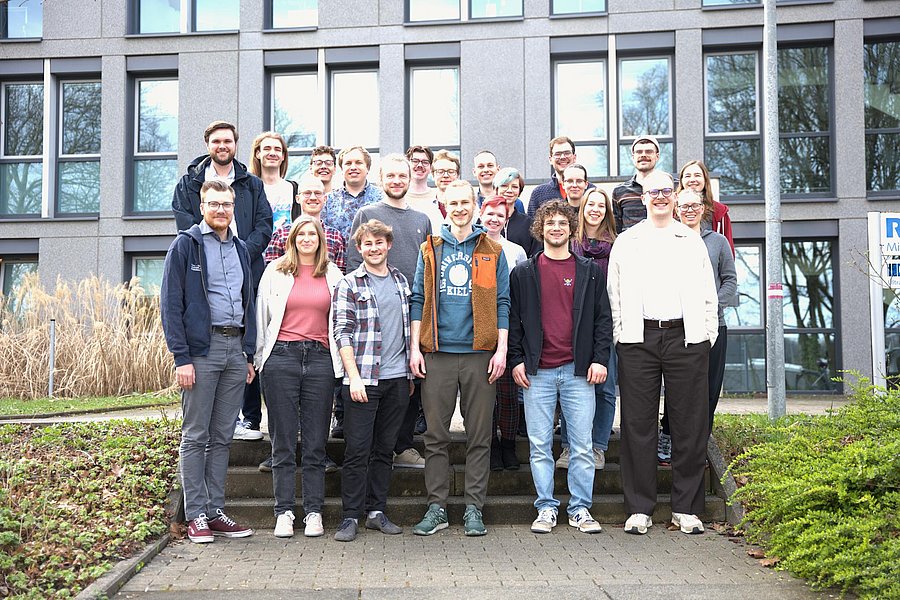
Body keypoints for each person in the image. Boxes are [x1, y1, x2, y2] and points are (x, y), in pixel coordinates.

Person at [607, 171, 718, 536]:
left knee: (690, 423)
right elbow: (615, 291)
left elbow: (707, 290)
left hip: (686, 338)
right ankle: (639, 507)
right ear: (643, 197)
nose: (659, 197)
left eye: (665, 191)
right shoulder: (627, 240)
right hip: (639, 338)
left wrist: (707, 334)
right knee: (638, 424)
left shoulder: (689, 239)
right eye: (653, 191)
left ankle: (686, 508)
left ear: (673, 196)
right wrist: (622, 333)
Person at [409, 180, 510, 537]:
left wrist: (501, 349)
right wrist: (414, 347)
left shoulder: (491, 250)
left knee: (479, 436)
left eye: (465, 201)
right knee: (436, 436)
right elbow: (418, 297)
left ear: (475, 204)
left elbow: (502, 303)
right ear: (443, 205)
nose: (460, 207)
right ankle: (436, 507)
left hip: (479, 354)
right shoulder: (430, 249)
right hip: (437, 353)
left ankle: (473, 508)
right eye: (453, 202)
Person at [160, 179, 256, 544]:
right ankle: (196, 514)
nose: (220, 210)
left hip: (235, 351)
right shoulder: (186, 246)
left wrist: (248, 353)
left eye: (226, 204)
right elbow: (171, 305)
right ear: (202, 207)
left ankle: (215, 511)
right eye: (213, 203)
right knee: (195, 435)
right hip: (201, 351)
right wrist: (181, 357)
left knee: (222, 436)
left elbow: (247, 302)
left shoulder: (242, 249)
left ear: (234, 208)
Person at [508, 200, 612, 535]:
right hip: (537, 373)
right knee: (539, 446)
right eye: (549, 222)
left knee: (581, 446)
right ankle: (546, 508)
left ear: (571, 228)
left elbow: (602, 320)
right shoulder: (524, 272)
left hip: (579, 371)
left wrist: (599, 359)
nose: (556, 228)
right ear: (540, 228)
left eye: (562, 223)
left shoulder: (589, 271)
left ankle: (581, 509)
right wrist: (516, 361)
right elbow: (514, 322)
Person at [171, 120, 272, 442]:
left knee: (246, 342)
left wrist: (242, 251)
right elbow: (185, 220)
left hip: (245, 268)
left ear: (235, 145)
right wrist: (212, 246)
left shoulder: (250, 184)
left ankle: (250, 419)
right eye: (216, 141)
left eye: (228, 141)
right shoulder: (190, 183)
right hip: (205, 267)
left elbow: (264, 223)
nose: (222, 146)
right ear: (208, 145)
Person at [254, 215, 343, 538]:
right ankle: (284, 511)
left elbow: (341, 322)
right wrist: (260, 359)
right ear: (292, 239)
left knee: (317, 440)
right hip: (281, 359)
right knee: (283, 439)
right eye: (301, 234)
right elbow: (261, 316)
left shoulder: (333, 274)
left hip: (320, 360)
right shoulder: (275, 271)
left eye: (312, 234)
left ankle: (314, 511)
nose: (307, 238)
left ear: (321, 239)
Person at [345, 154, 432, 469]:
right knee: (376, 378)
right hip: (374, 310)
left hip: (414, 311)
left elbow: (428, 266)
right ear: (380, 179)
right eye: (391, 175)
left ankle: (403, 444)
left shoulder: (422, 219)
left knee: (410, 377)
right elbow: (354, 263)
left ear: (410, 180)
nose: (397, 181)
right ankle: (372, 445)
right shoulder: (367, 213)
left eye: (402, 176)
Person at [332, 219, 414, 542]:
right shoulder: (349, 284)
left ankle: (376, 512)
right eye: (368, 244)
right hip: (362, 380)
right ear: (359, 248)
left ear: (389, 245)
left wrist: (408, 373)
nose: (374, 248)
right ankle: (350, 516)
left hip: (397, 380)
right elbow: (342, 333)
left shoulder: (401, 281)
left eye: (380, 243)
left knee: (384, 450)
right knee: (357, 450)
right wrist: (352, 378)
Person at [657, 189, 737, 465]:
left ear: (703, 208)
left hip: (714, 326)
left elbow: (730, 282)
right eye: (683, 206)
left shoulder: (718, 242)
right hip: (677, 328)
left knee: (708, 389)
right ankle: (667, 434)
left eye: (695, 205)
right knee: (678, 387)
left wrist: (709, 306)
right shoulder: (667, 240)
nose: (689, 210)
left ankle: (698, 443)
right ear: (676, 209)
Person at [557, 187, 618, 471]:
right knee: (573, 386)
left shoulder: (617, 246)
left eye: (601, 205)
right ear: (582, 209)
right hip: (573, 326)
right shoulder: (569, 243)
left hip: (607, 323)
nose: (595, 209)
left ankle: (597, 447)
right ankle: (570, 446)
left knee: (605, 389)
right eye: (590, 204)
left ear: (607, 212)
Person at [480, 195, 527, 471]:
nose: (494, 219)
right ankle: (491, 445)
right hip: (481, 327)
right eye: (490, 214)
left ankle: (508, 443)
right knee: (486, 392)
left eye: (500, 215)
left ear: (506, 219)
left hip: (509, 324)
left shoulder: (516, 251)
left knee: (508, 392)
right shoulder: (473, 246)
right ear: (481, 215)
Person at [264, 173, 346, 273]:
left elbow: (340, 277)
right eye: (307, 193)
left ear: (325, 199)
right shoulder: (282, 234)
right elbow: (271, 274)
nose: (312, 198)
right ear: (297, 199)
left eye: (318, 193)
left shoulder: (335, 237)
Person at [321, 145, 383, 242]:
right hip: (337, 257)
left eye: (358, 163)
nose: (353, 167)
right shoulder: (328, 200)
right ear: (341, 169)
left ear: (368, 168)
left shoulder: (381, 198)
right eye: (348, 163)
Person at [676, 159, 735, 255]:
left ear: (705, 179)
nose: (692, 180)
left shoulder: (719, 212)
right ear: (682, 181)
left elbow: (728, 255)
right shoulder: (671, 211)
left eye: (697, 175)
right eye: (687, 176)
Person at [527, 136, 593, 218]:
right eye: (557, 154)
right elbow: (531, 228)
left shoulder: (591, 191)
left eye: (567, 153)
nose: (562, 157)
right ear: (550, 159)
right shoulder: (539, 194)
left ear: (574, 157)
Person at [248, 131, 296, 232]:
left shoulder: (294, 189)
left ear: (283, 156)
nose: (272, 153)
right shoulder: (248, 189)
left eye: (277, 149)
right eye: (267, 149)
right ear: (258, 154)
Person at [612, 135, 659, 233]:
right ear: (633, 157)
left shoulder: (671, 187)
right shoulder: (620, 191)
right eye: (639, 152)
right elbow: (617, 227)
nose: (643, 155)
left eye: (649, 151)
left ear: (657, 156)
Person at [492, 168, 541, 257]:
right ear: (496, 189)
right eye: (504, 185)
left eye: (514, 187)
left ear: (519, 192)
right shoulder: (485, 221)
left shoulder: (529, 224)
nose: (509, 190)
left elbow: (535, 255)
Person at [404, 145, 445, 233]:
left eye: (425, 162)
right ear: (407, 165)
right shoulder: (400, 197)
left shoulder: (439, 199)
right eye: (415, 161)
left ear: (431, 168)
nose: (420, 165)